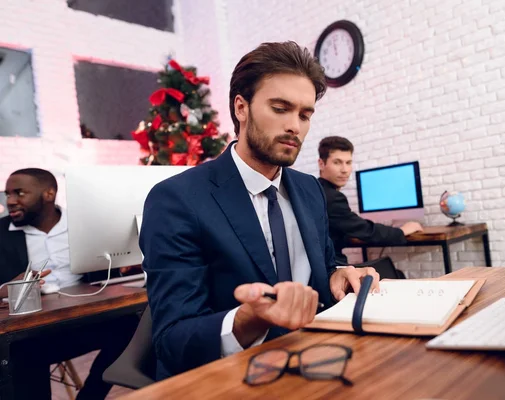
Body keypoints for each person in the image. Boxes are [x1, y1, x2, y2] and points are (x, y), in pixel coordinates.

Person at [140, 41, 380, 380]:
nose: (295, 126)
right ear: (241, 107)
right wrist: (251, 317)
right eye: (280, 108)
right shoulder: (176, 200)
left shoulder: (310, 190)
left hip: (314, 360)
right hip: (229, 377)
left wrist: (337, 274)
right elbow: (172, 341)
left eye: (304, 114)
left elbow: (322, 267)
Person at [0, 168, 137, 399]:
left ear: (48, 194)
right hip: (29, 332)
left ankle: (91, 396)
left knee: (134, 323)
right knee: (21, 360)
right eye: (8, 194)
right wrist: (4, 289)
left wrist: (128, 264)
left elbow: (108, 270)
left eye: (19, 193)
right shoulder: (2, 232)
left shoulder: (83, 225)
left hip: (83, 320)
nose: (10, 201)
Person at [317, 136, 423, 264]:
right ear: (321, 164)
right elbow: (365, 230)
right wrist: (402, 231)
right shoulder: (332, 197)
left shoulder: (317, 190)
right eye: (337, 162)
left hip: (322, 266)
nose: (345, 170)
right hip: (331, 269)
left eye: (348, 163)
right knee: (391, 269)